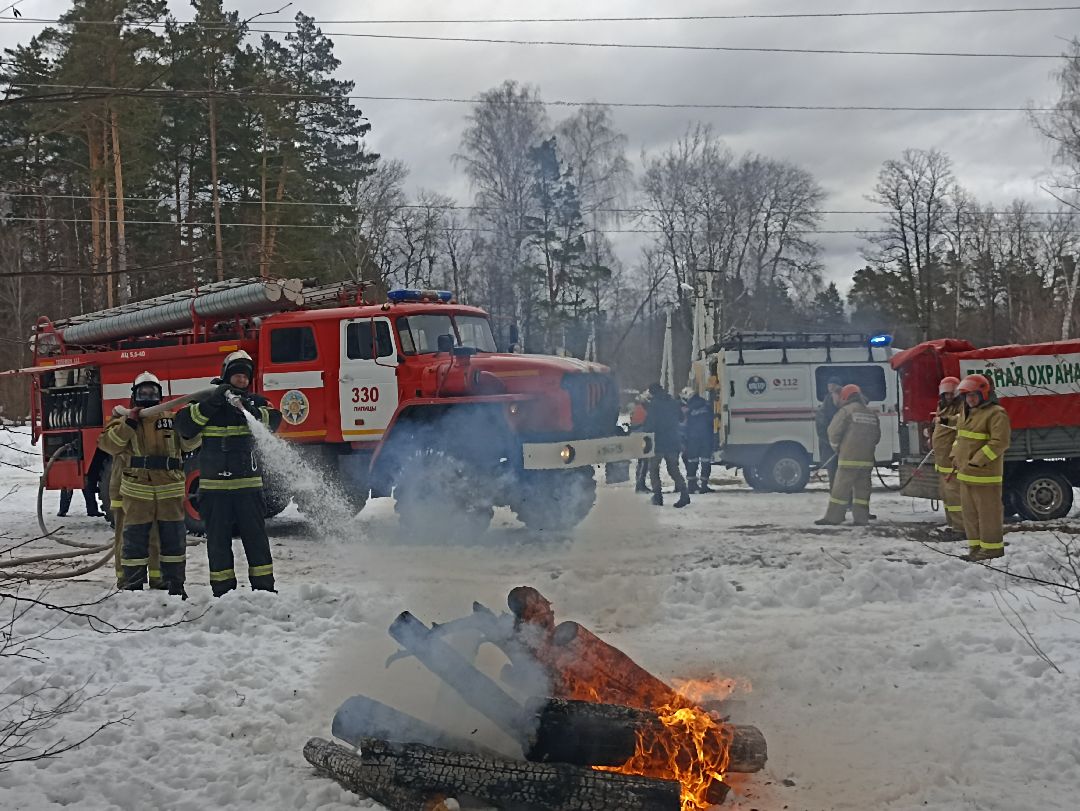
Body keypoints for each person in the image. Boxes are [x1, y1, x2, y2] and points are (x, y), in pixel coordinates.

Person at [176, 350, 282, 596]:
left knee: (256, 541)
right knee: (218, 543)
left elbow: (275, 420)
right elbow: (184, 425)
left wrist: (250, 410)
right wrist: (213, 403)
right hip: (215, 490)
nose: (242, 381)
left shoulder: (256, 402)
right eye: (237, 376)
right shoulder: (206, 402)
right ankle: (223, 591)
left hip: (249, 488)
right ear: (226, 376)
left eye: (246, 377)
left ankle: (264, 590)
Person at [97, 372, 196, 596]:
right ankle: (132, 585)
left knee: (172, 541)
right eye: (143, 392)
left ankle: (171, 584)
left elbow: (189, 446)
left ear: (160, 395)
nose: (148, 395)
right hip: (137, 492)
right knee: (134, 540)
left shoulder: (172, 418)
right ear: (134, 395)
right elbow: (108, 444)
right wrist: (129, 423)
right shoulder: (123, 420)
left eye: (152, 392)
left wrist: (192, 423)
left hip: (169, 491)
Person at [951, 374, 1011, 562]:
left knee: (988, 515)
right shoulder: (966, 413)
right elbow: (960, 439)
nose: (970, 399)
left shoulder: (996, 413)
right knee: (970, 515)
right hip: (966, 475)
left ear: (984, 394)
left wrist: (978, 460)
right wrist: (954, 456)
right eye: (967, 396)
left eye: (974, 395)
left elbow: (1000, 442)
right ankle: (976, 548)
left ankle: (992, 550)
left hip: (985, 476)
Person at [815, 384, 881, 526]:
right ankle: (861, 518)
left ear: (846, 397)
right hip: (867, 460)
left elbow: (833, 432)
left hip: (848, 459)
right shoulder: (870, 413)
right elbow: (877, 437)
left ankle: (833, 517)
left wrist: (836, 448)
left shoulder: (846, 411)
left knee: (840, 489)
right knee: (863, 491)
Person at [643, 383, 689, 508]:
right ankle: (685, 493)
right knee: (673, 469)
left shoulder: (653, 405)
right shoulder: (673, 402)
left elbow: (650, 424)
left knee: (653, 469)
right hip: (673, 441)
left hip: (658, 442)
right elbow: (681, 418)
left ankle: (657, 496)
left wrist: (645, 433)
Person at [931, 376, 965, 539]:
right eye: (946, 394)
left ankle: (961, 528)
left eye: (951, 394)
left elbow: (963, 421)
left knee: (955, 497)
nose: (949, 397)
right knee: (947, 497)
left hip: (952, 461)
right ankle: (952, 525)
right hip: (942, 462)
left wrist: (943, 420)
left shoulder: (962, 406)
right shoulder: (942, 406)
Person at [680, 387, 714, 494]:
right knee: (705, 462)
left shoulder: (687, 408)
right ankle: (704, 485)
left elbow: (684, 424)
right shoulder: (706, 405)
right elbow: (711, 419)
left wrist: (683, 439)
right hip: (706, 437)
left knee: (692, 462)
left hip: (692, 438)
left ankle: (691, 486)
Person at [57, 450, 105, 517]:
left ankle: (63, 510)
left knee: (76, 482)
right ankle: (92, 510)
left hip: (76, 453)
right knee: (81, 482)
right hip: (76, 453)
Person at [815, 377, 844, 488]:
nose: (831, 388)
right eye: (829, 386)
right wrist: (833, 443)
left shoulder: (845, 406)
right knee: (835, 477)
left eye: (834, 386)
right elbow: (821, 429)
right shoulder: (825, 408)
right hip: (830, 449)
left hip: (843, 449)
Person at [629, 390, 651, 493]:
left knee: (642, 462)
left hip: (639, 437)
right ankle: (640, 485)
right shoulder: (641, 410)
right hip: (642, 437)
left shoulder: (637, 408)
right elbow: (642, 424)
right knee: (643, 462)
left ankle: (640, 484)